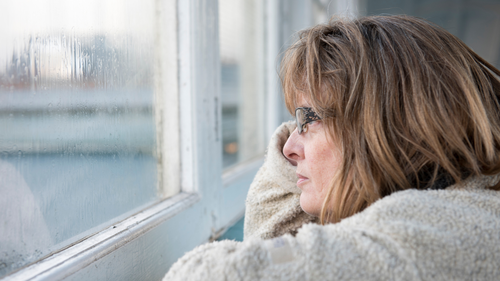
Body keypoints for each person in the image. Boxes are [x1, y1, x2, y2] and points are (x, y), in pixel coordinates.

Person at [164, 15, 500, 280]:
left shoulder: (428, 238)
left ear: (391, 129)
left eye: (308, 120)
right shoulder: (462, 209)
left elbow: (208, 275)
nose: (288, 149)